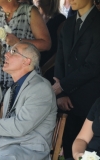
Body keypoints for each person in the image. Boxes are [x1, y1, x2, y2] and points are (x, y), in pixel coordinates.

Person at [52, 0, 100, 158]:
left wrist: (63, 86)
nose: (68, 1)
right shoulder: (68, 23)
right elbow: (59, 60)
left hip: (90, 99)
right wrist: (60, 93)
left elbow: (93, 65)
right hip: (67, 99)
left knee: (88, 150)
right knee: (68, 147)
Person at [33, 0, 66, 84]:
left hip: (50, 69)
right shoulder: (36, 17)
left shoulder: (60, 19)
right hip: (34, 67)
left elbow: (61, 51)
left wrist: (44, 68)